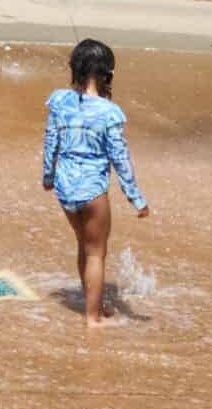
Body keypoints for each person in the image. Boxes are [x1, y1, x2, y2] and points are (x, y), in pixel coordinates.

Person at [41, 38, 149, 329]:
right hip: (92, 193)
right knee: (96, 252)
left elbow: (51, 141)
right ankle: (94, 318)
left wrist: (48, 176)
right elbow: (120, 158)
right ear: (106, 75)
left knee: (84, 245)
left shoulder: (59, 101)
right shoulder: (109, 113)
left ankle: (96, 303)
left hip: (65, 192)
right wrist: (136, 198)